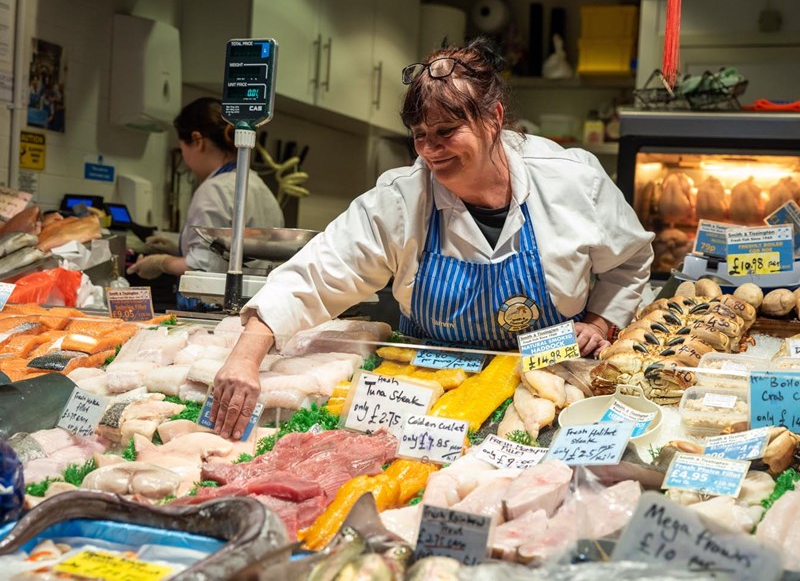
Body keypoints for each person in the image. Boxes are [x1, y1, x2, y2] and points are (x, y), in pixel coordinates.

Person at [210, 38, 654, 439]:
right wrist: (245, 358)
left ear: (494, 119)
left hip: (549, 385)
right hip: (424, 390)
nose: (430, 150)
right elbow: (314, 275)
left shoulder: (571, 180)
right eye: (420, 136)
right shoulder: (401, 199)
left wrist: (598, 322)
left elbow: (629, 259)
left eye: (446, 132)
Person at [126, 97, 284, 288]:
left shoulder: (214, 190)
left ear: (197, 140)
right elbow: (232, 252)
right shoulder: (260, 186)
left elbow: (203, 267)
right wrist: (178, 248)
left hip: (216, 306)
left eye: (183, 149)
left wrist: (161, 262)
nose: (184, 158)